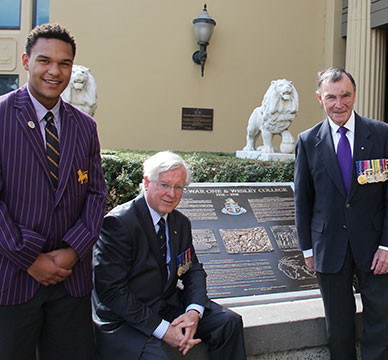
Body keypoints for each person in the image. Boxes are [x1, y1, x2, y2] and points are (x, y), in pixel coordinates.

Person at [0, 23, 106, 360]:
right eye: (44, 60)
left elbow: (96, 195)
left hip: (69, 281)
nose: (54, 71)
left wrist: (72, 251)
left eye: (64, 63)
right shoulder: (1, 115)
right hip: (12, 277)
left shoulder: (85, 126)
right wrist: (29, 257)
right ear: (25, 61)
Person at [294, 67, 388, 359]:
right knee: (338, 323)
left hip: (375, 246)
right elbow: (303, 200)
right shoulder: (308, 141)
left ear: (355, 95)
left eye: (345, 96)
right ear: (320, 98)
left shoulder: (382, 134)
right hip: (329, 245)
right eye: (331, 97)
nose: (339, 104)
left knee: (378, 320)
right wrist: (307, 247)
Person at [92, 151, 246, 360]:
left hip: (166, 304)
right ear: (146, 182)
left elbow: (192, 270)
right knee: (159, 357)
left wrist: (193, 312)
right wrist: (163, 329)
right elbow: (111, 291)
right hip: (125, 317)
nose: (171, 194)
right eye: (164, 185)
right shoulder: (119, 223)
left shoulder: (179, 222)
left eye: (178, 187)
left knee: (228, 322)